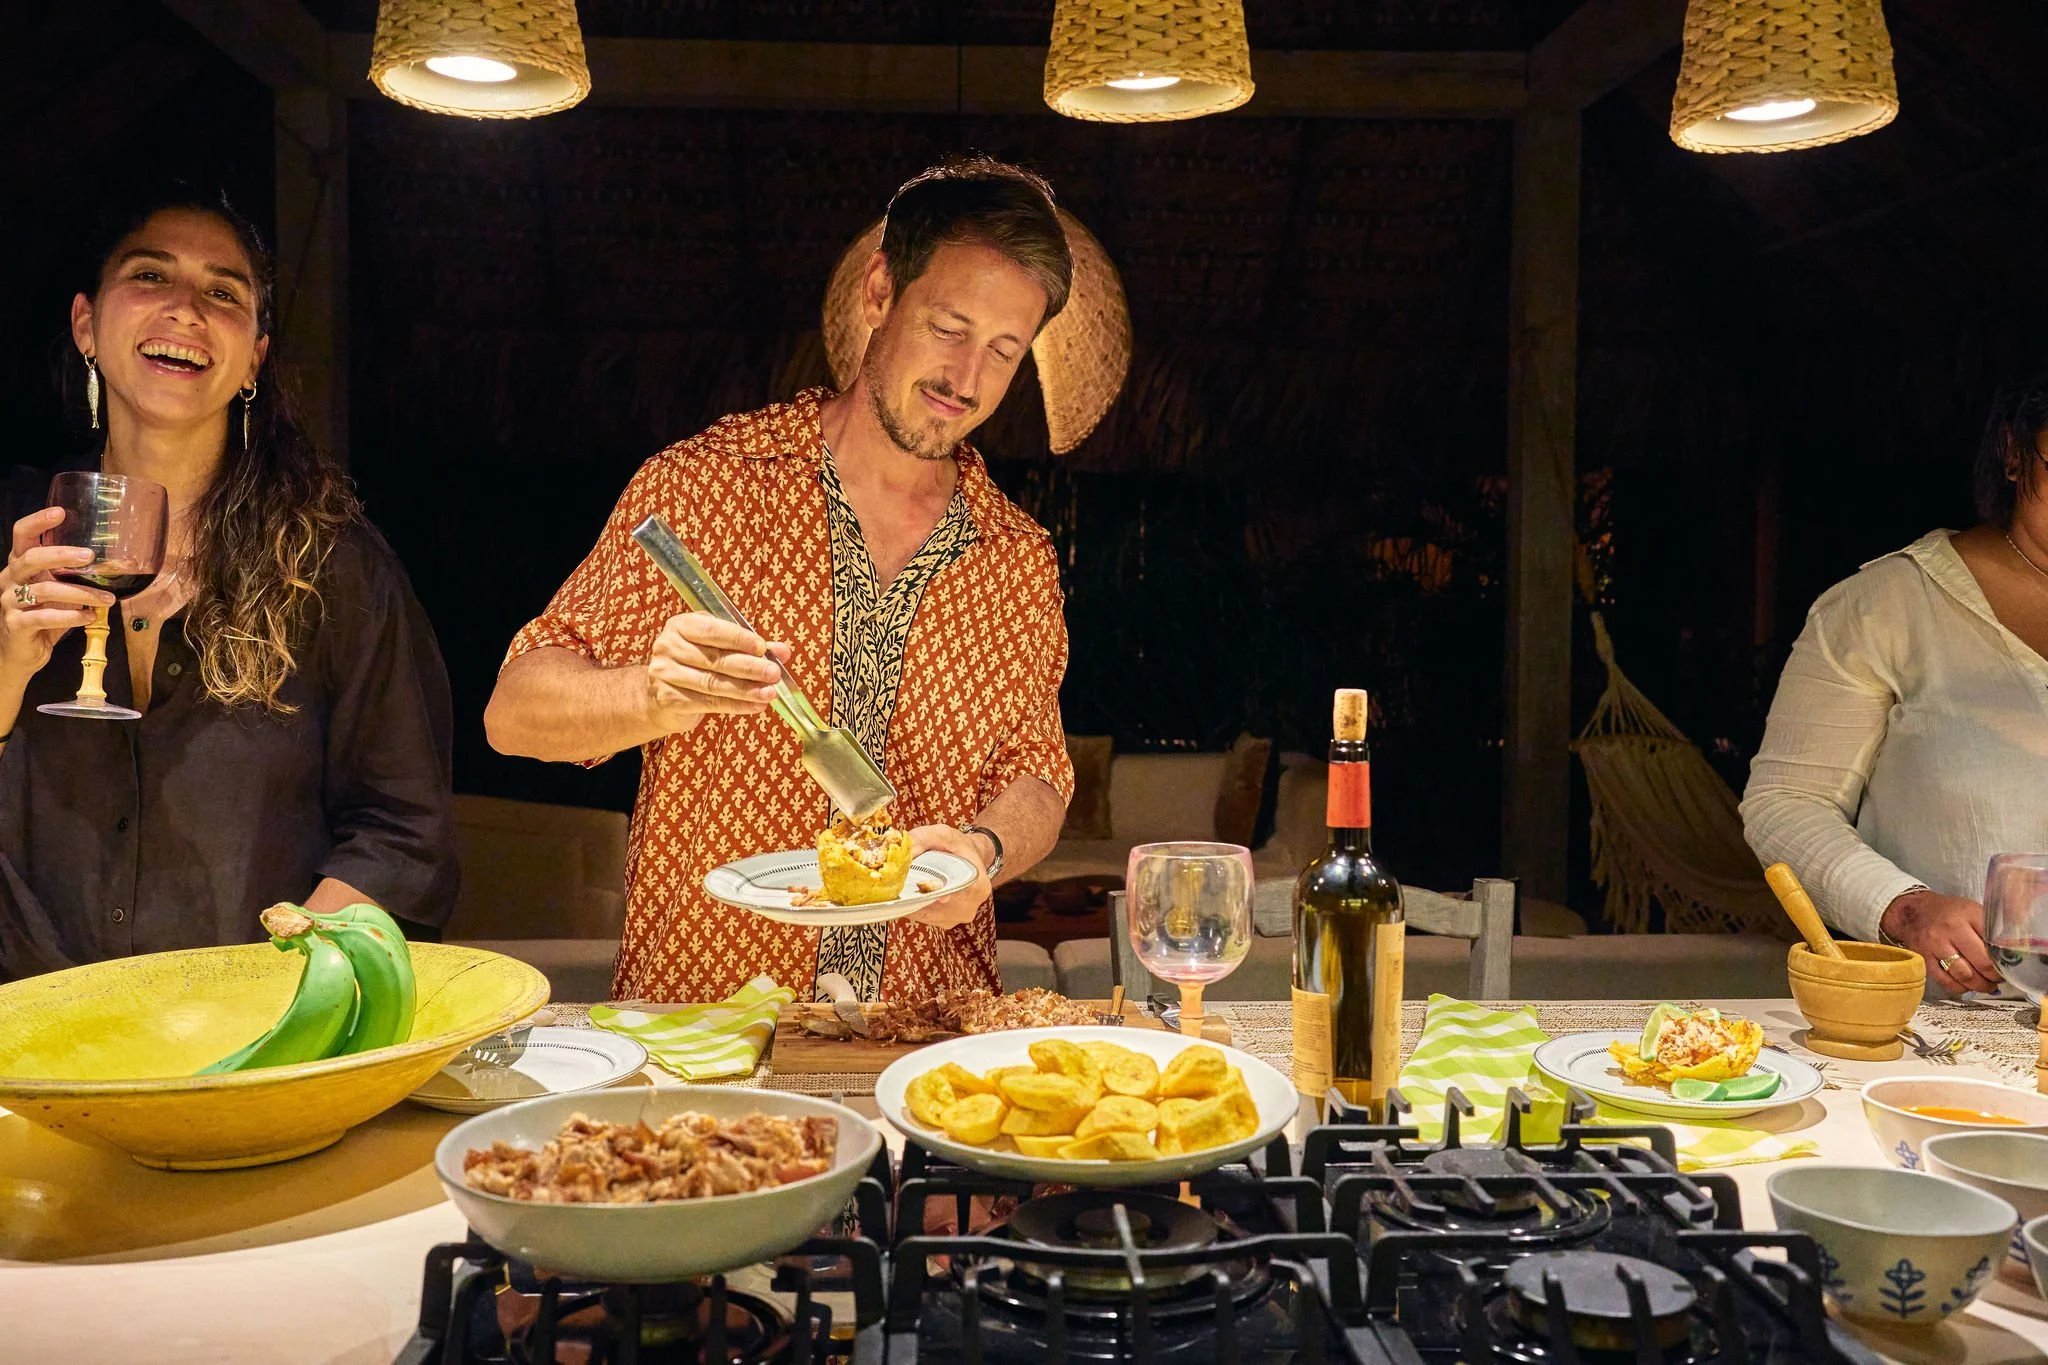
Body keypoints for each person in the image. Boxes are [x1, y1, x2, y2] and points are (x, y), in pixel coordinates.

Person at [486, 155, 1076, 1003]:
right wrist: (651, 694)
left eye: (1003, 350)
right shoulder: (703, 486)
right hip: (706, 1029)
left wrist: (982, 849)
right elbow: (514, 713)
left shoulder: (1016, 557)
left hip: (924, 1035)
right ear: (880, 294)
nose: (967, 379)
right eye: (949, 327)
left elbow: (1040, 775)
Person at [0, 184, 458, 980]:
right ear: (86, 324)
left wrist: (263, 992)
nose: (185, 310)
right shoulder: (16, 531)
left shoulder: (327, 561)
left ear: (254, 356)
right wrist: (6, 661)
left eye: (222, 292)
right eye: (150, 277)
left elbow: (402, 833)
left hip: (247, 1054)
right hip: (27, 1036)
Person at [1742, 371, 2048, 996]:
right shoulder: (1885, 608)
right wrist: (1903, 907)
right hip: (1949, 1032)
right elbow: (1786, 803)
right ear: (2015, 453)